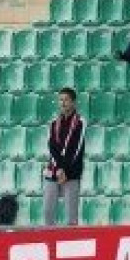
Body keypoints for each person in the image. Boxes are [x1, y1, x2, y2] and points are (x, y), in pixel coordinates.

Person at [43, 87, 86, 226]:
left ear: (73, 102)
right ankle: (50, 241)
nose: (63, 103)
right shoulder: (54, 123)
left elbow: (75, 149)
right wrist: (60, 168)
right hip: (54, 171)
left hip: (72, 172)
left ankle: (72, 245)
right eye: (61, 100)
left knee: (71, 216)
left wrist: (64, 170)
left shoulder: (80, 122)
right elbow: (52, 147)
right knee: (48, 212)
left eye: (66, 100)